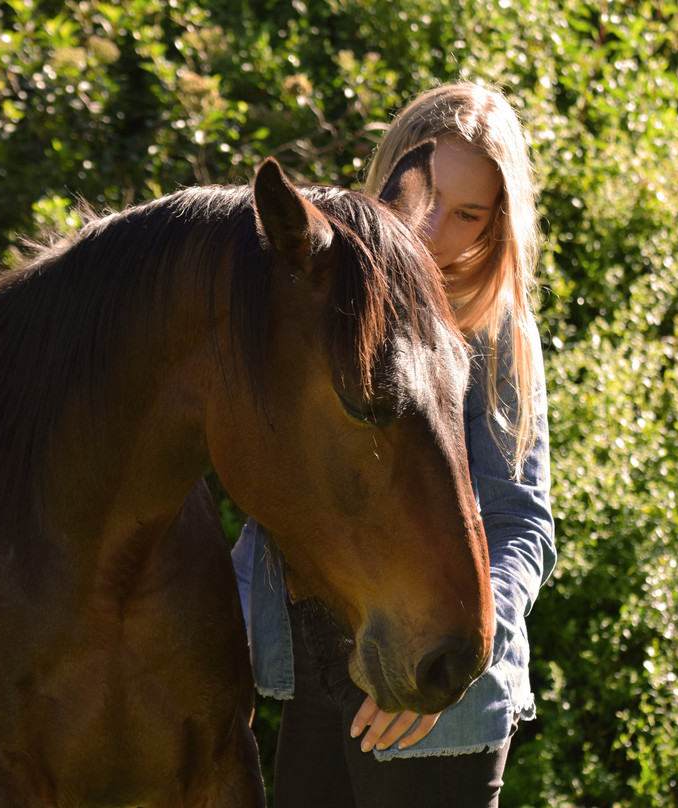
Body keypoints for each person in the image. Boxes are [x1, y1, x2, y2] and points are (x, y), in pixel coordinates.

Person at [231, 81, 556, 808]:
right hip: (317, 676)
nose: (435, 230)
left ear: (497, 226)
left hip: (435, 706)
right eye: (428, 199)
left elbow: (521, 527)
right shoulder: (334, 301)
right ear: (396, 178)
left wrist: (457, 666)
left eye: (468, 214)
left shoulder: (496, 335)